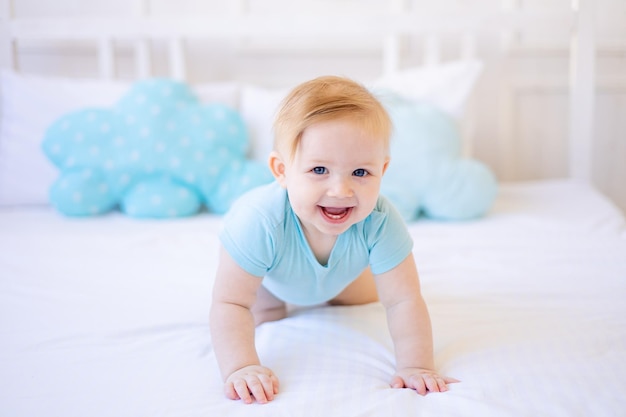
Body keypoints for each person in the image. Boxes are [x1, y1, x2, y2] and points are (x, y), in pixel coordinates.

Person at [209, 75, 458, 404]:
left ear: (382, 170)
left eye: (360, 173)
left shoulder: (380, 220)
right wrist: (241, 367)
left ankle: (330, 293)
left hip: (342, 278)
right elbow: (230, 303)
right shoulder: (260, 221)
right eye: (319, 170)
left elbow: (404, 301)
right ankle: (275, 306)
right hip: (271, 281)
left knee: (361, 295)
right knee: (260, 312)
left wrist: (416, 365)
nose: (341, 191)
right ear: (281, 170)